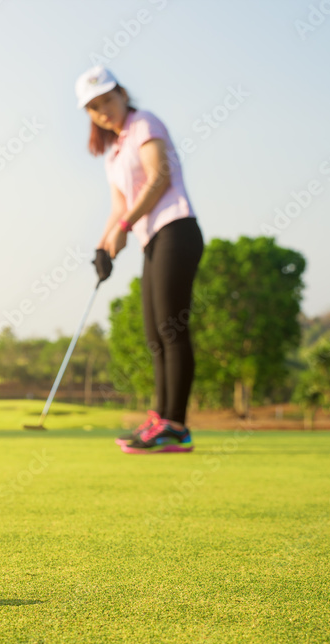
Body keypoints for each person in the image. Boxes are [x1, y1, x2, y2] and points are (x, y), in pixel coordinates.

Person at [75, 65, 204, 454]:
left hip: (176, 228)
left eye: (108, 100)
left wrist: (126, 226)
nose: (104, 110)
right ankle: (160, 417)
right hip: (153, 239)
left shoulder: (145, 123)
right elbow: (119, 207)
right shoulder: (113, 154)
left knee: (171, 329)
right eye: (94, 107)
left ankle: (175, 425)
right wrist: (103, 246)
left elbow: (158, 177)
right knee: (154, 336)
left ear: (123, 95)